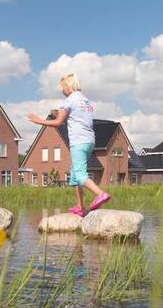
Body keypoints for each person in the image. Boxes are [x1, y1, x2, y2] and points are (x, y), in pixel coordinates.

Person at [26, 73, 110, 216]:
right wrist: (58, 113)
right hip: (89, 141)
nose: (62, 90)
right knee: (74, 173)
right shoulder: (86, 101)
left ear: (68, 86)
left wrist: (38, 121)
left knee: (79, 173)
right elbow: (76, 118)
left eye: (62, 87)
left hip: (78, 141)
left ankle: (100, 194)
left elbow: (58, 122)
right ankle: (79, 207)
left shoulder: (69, 101)